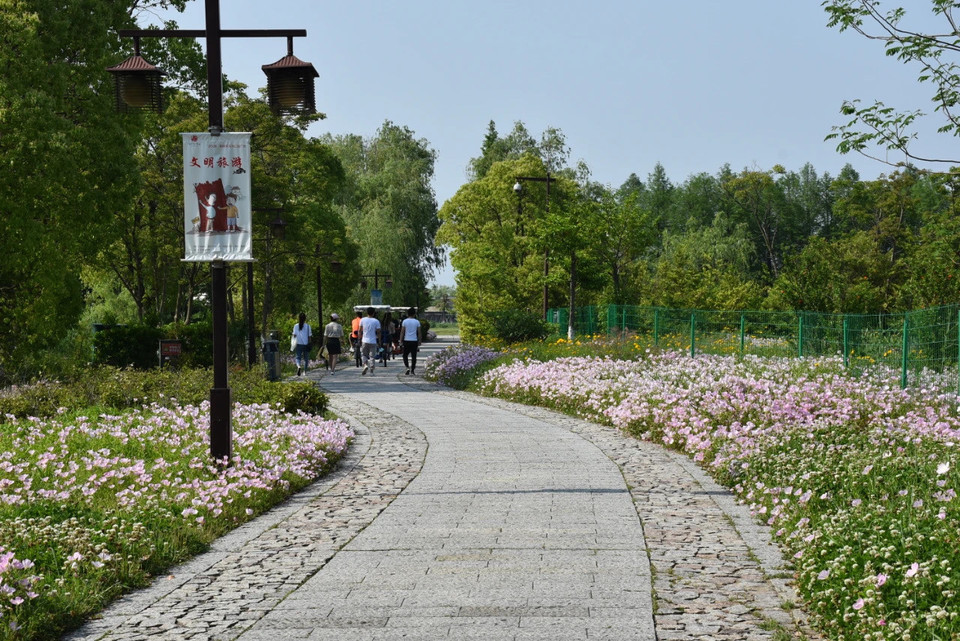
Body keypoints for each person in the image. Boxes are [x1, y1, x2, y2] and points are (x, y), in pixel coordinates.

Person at [399, 307, 422, 375]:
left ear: (407, 314)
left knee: (405, 355)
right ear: (414, 314)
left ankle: (407, 367)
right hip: (414, 340)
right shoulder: (417, 322)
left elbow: (402, 332)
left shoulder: (405, 321)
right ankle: (412, 370)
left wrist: (400, 340)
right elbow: (419, 332)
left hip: (407, 340)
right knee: (414, 356)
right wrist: (419, 340)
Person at [359, 307, 381, 376]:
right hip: (373, 341)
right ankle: (371, 371)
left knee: (364, 354)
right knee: (372, 356)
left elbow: (360, 330)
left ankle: (365, 365)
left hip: (364, 340)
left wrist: (359, 339)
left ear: (367, 312)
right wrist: (379, 341)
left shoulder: (362, 320)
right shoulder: (376, 321)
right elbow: (379, 332)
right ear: (374, 313)